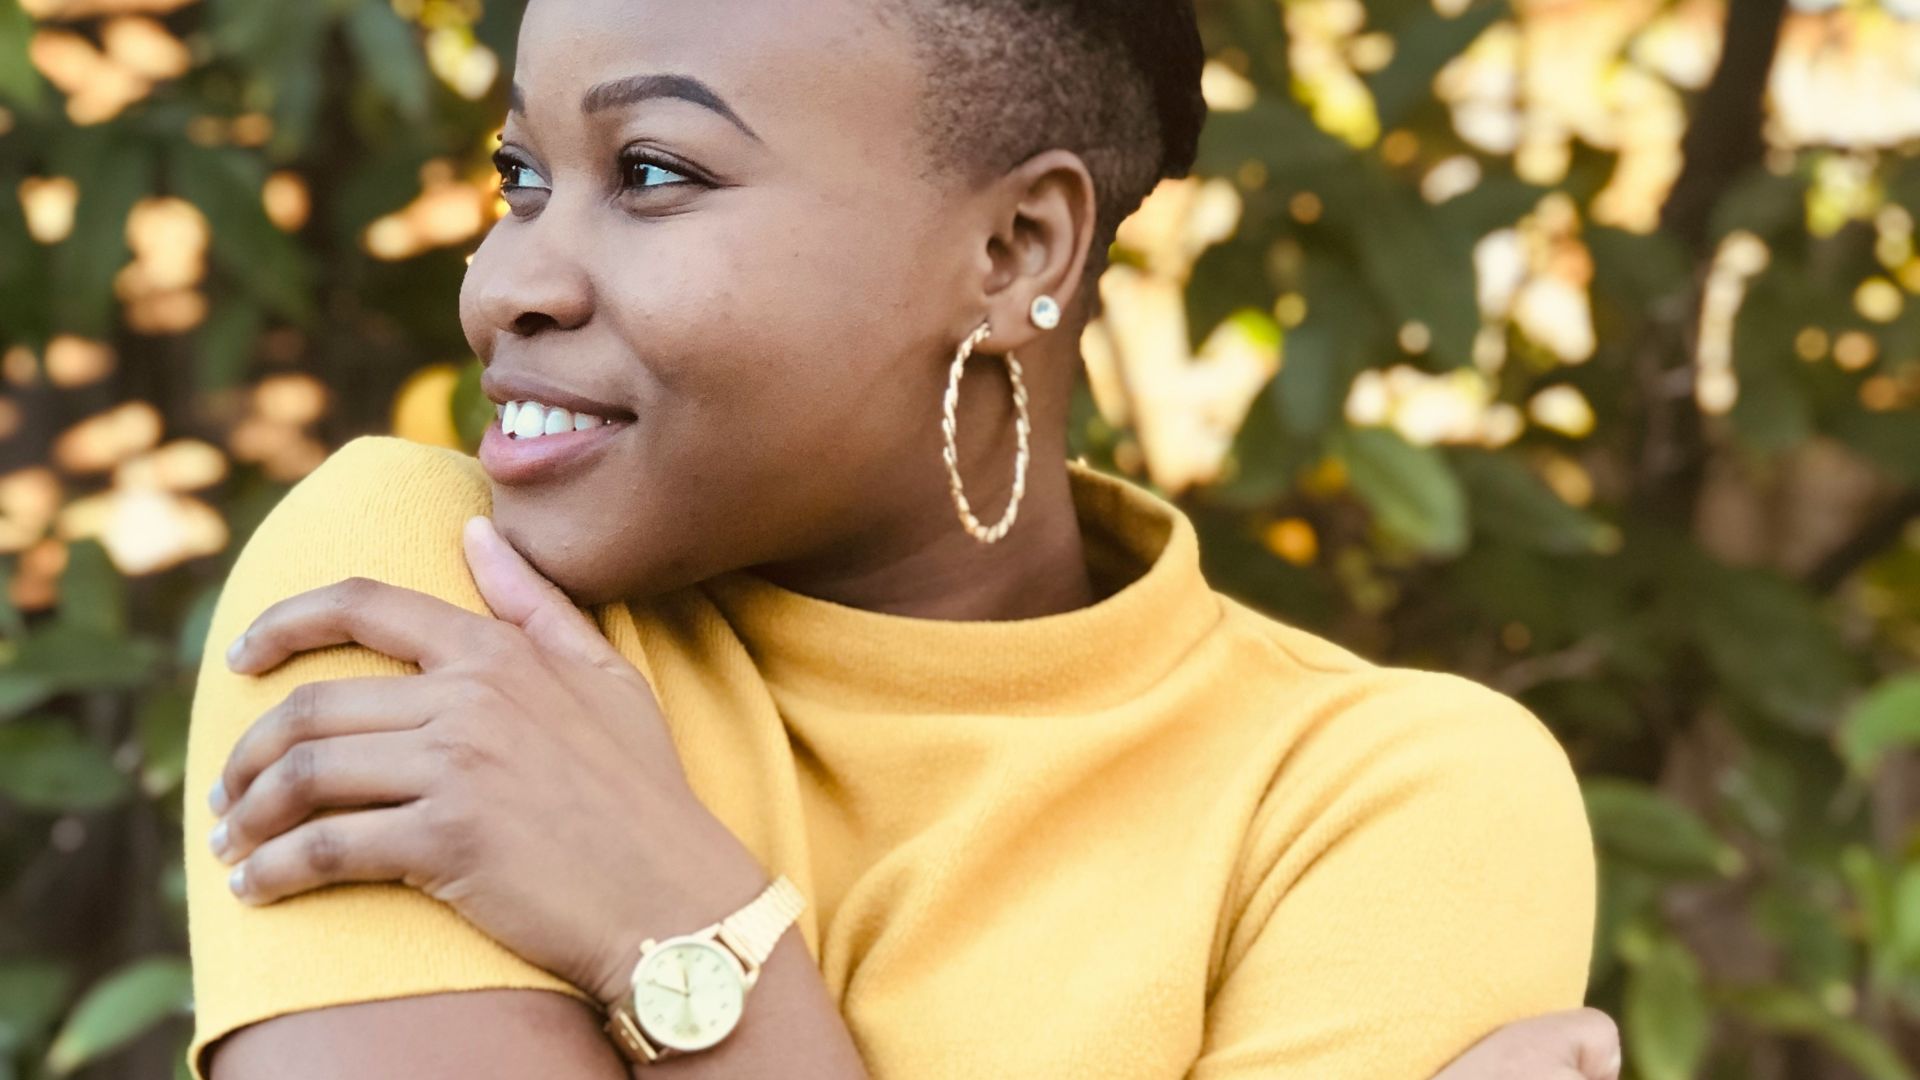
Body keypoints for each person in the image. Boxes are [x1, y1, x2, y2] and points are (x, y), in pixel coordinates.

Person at [181, 0, 1606, 1076]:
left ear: (1012, 253)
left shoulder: (1381, 799)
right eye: (523, 173)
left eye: (658, 172)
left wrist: (686, 938)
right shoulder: (429, 603)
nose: (505, 283)